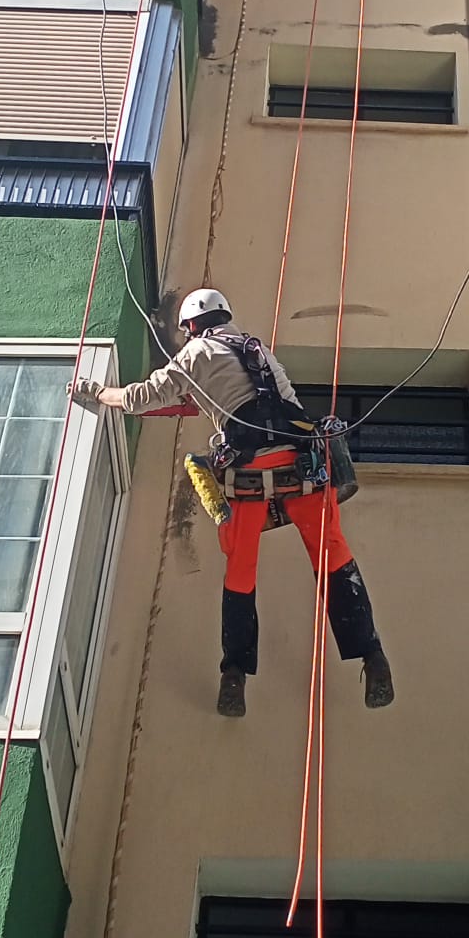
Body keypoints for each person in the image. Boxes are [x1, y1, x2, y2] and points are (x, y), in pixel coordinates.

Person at [71, 287, 394, 720]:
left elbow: (141, 399)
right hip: (303, 464)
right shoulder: (257, 349)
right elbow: (246, 398)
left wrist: (98, 393)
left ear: (191, 327)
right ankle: (373, 656)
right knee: (333, 555)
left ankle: (234, 675)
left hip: (251, 473)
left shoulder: (197, 353)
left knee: (241, 568)